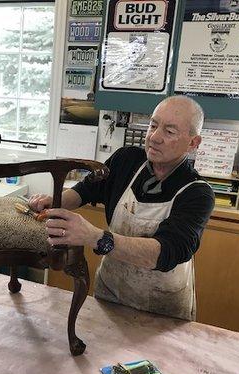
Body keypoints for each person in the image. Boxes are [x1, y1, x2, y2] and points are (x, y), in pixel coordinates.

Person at [29, 95, 215, 321]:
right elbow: (86, 190)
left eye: (169, 131)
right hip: (111, 291)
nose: (154, 137)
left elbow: (164, 252)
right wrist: (54, 201)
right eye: (153, 125)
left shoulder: (197, 193)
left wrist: (96, 237)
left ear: (193, 143)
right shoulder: (126, 160)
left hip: (163, 307)